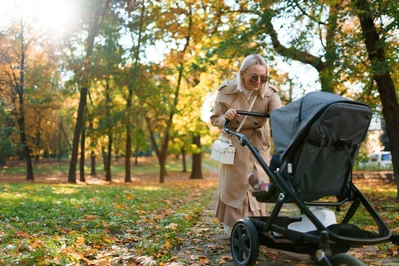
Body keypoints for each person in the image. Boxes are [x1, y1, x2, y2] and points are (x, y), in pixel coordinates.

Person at [210, 54, 282, 236]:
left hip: (259, 144)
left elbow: (280, 117)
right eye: (254, 77)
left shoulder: (270, 93)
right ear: (242, 74)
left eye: (263, 77)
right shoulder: (226, 91)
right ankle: (233, 225)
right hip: (235, 143)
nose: (259, 81)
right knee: (235, 185)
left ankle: (257, 225)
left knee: (257, 184)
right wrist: (225, 118)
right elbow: (215, 119)